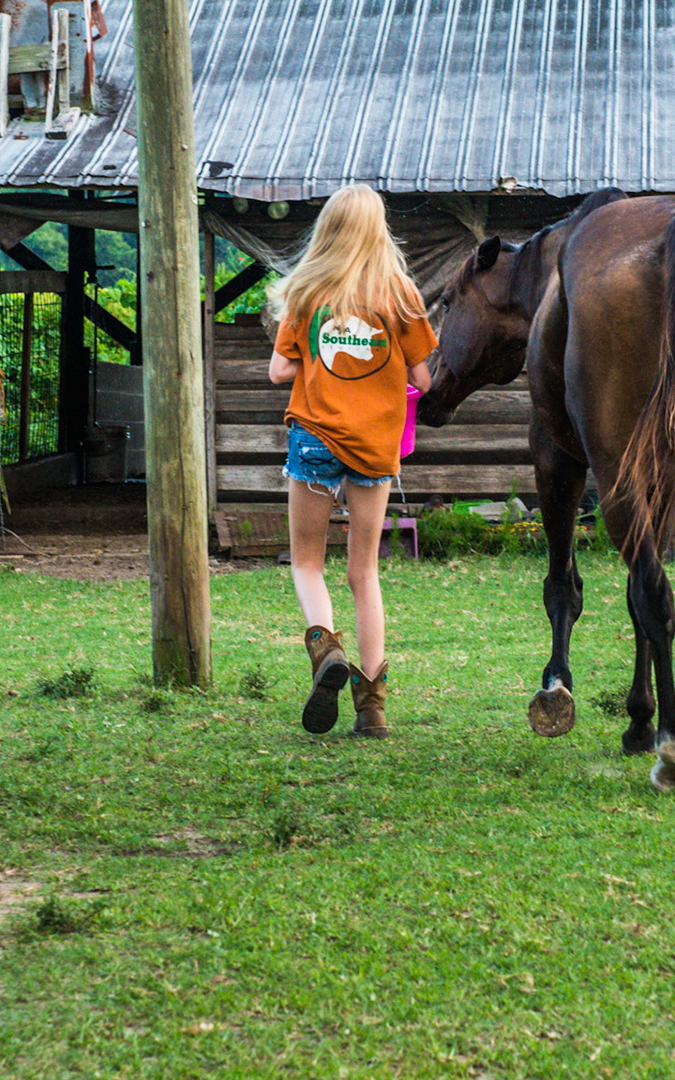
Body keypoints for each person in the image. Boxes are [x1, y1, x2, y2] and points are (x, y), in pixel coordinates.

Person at [264, 185, 436, 738]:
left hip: (315, 437)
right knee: (364, 572)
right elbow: (423, 379)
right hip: (374, 445)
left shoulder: (310, 291)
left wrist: (322, 360)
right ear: (377, 230)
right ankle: (373, 707)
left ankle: (325, 649)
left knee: (307, 563)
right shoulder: (401, 294)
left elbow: (278, 373)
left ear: (329, 229)